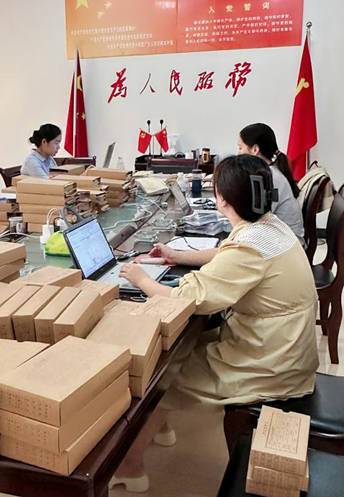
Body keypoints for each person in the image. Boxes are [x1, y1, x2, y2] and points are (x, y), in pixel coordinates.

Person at [112, 155, 318, 492]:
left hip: (273, 362)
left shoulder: (249, 247)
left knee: (163, 376)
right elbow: (228, 252)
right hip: (281, 345)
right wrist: (176, 257)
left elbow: (187, 299)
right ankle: (160, 428)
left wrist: (141, 279)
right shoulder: (269, 226)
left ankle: (131, 467)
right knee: (181, 353)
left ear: (222, 198)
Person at [237, 122, 305, 245]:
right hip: (280, 239)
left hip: (287, 245)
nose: (239, 154)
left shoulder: (272, 177)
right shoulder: (271, 171)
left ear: (255, 150)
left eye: (240, 148)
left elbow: (257, 218)